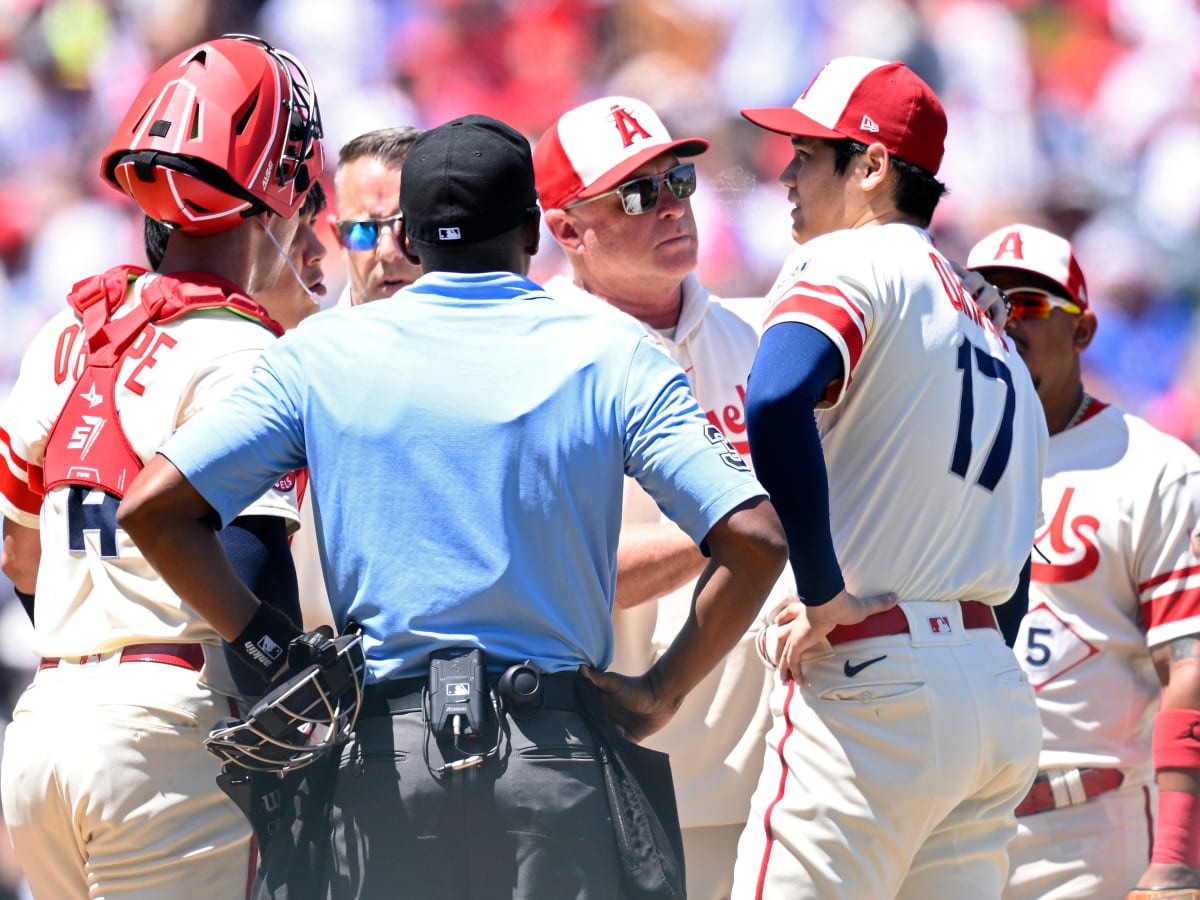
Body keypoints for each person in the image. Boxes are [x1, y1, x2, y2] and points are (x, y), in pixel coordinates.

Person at [114, 113, 789, 899]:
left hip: (378, 766)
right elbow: (757, 536)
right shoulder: (610, 352)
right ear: (534, 231)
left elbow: (153, 508)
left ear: (413, 235)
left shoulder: (322, 354)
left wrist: (273, 650)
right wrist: (660, 690)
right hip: (557, 752)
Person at [0, 33, 324, 898]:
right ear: (279, 192)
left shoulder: (64, 334)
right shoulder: (248, 352)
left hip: (43, 726)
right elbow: (251, 568)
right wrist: (290, 671)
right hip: (171, 728)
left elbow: (20, 554)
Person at [733, 57, 1048, 899]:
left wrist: (823, 588)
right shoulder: (995, 336)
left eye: (807, 152)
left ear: (870, 167)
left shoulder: (851, 259)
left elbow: (773, 399)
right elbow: (1015, 556)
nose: (787, 173)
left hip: (872, 687)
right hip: (991, 689)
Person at [534, 94, 780, 899]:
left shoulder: (758, 339)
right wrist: (739, 528)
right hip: (608, 779)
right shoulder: (541, 361)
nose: (674, 206)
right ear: (568, 231)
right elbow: (556, 571)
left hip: (763, 786)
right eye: (638, 195)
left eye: (678, 180)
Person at [965, 223, 1200, 899]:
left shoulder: (1153, 469)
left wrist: (1177, 861)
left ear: (1083, 331)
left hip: (1085, 836)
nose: (1006, 322)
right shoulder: (924, 455)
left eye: (1032, 306)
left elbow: (1188, 667)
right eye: (986, 302)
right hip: (939, 826)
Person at [330, 125, 423, 306]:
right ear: (339, 238)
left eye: (408, 226)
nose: (389, 251)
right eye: (364, 229)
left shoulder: (487, 330)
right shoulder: (310, 334)